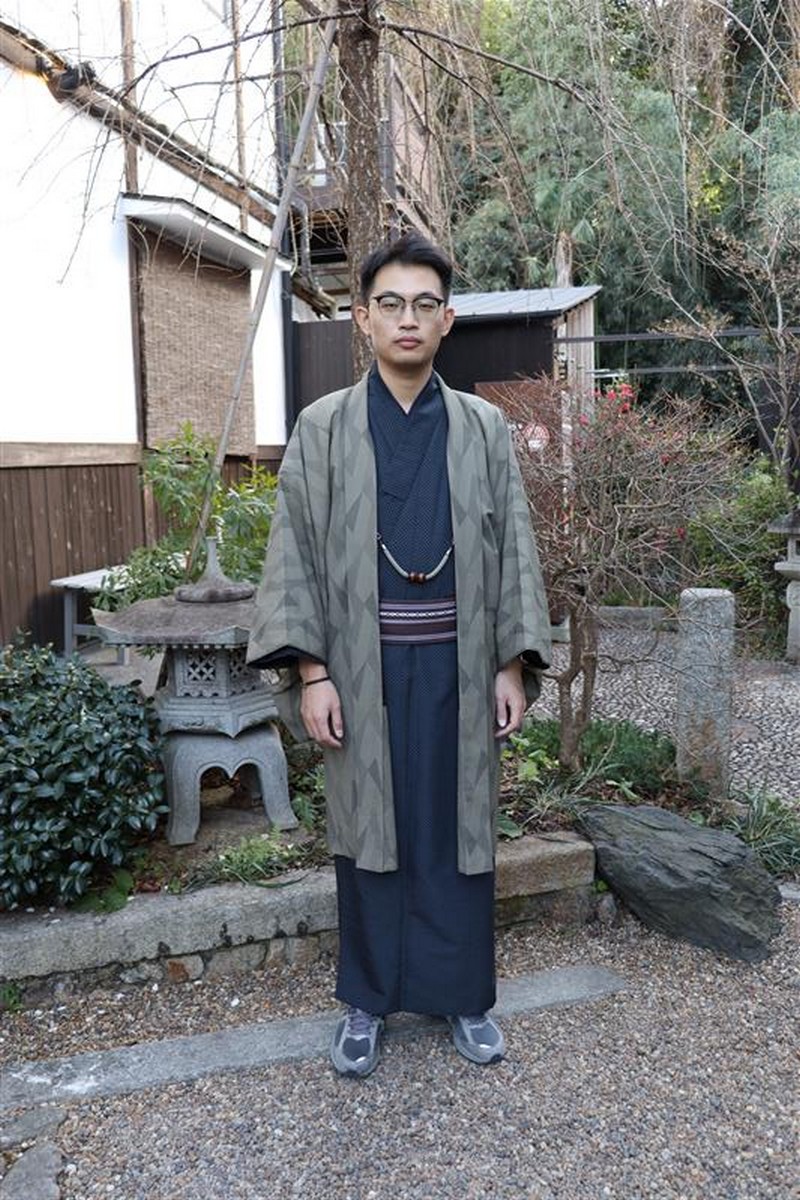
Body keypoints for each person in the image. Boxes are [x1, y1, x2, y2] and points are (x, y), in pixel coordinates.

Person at [247, 232, 551, 1077]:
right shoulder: (323, 427)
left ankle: (464, 997)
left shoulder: (484, 428)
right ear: (363, 317)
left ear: (447, 320)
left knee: (458, 832)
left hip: (461, 664)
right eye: (391, 304)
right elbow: (295, 551)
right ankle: (368, 1000)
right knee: (369, 830)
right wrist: (312, 672)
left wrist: (511, 663)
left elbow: (513, 547)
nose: (407, 319)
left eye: (425, 304)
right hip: (359, 668)